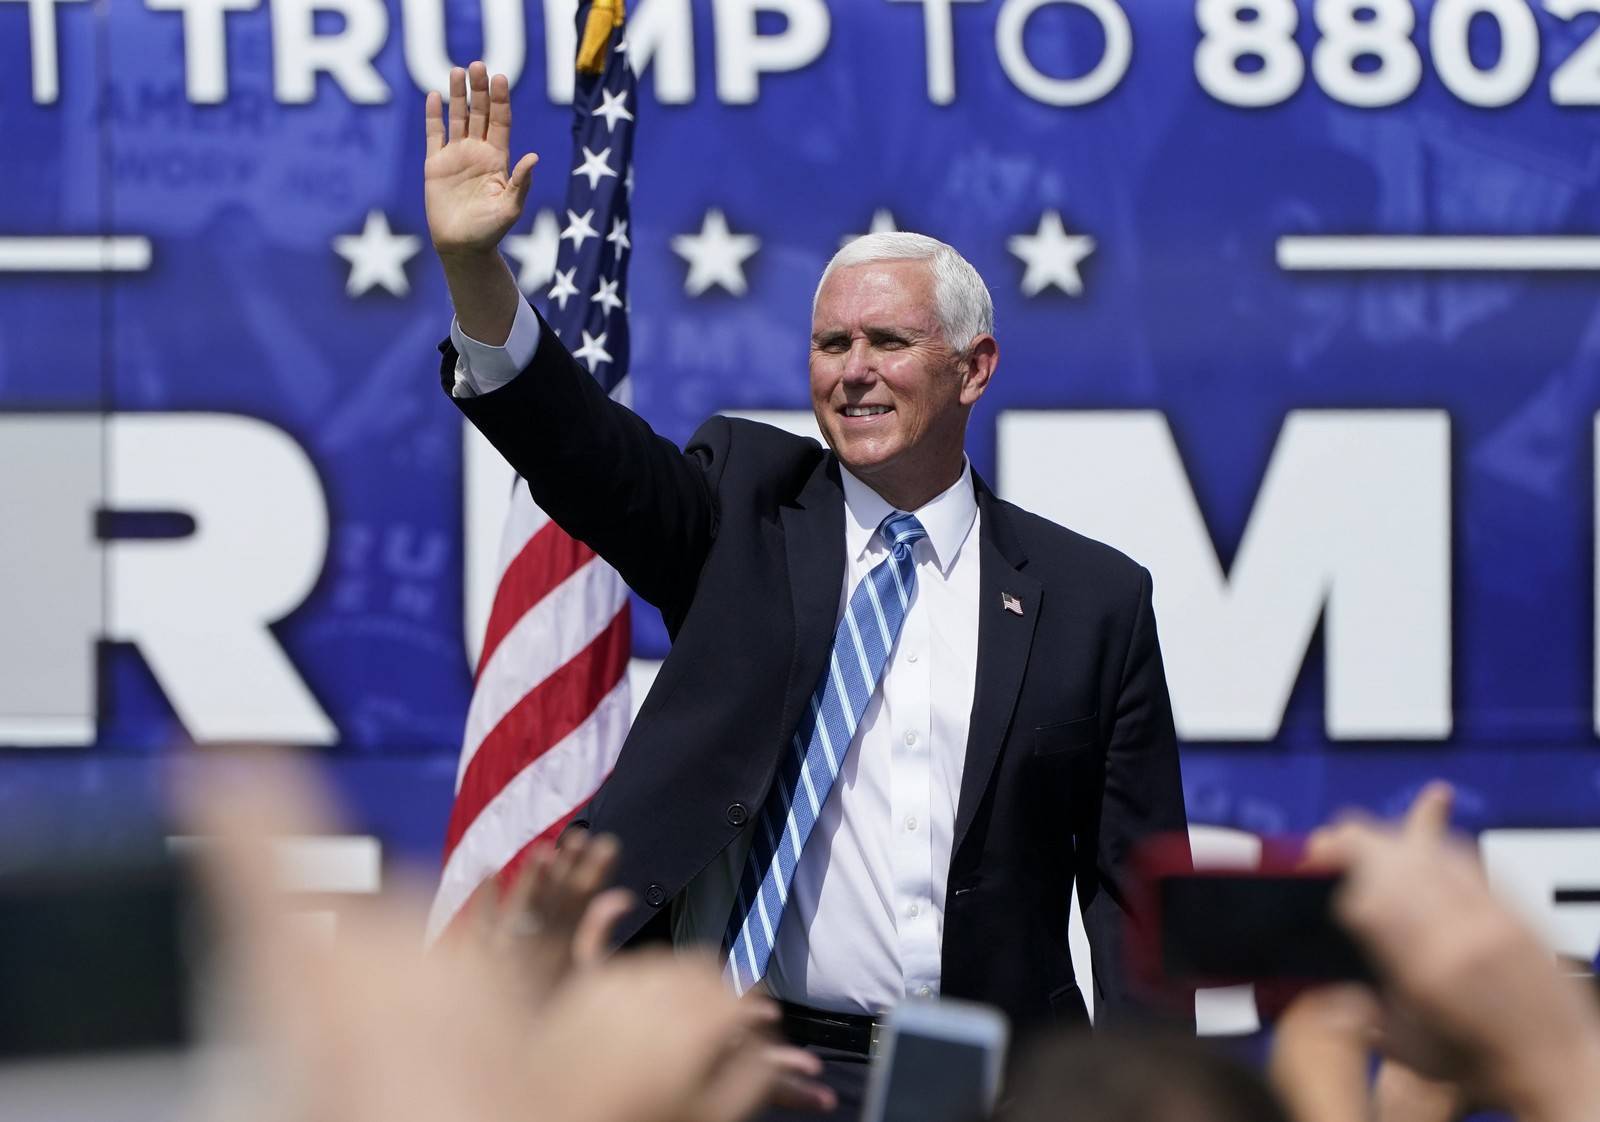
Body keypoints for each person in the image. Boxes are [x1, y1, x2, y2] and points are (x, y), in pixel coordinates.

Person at [424, 61, 1190, 1111]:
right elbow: (577, 446)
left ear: (973, 368)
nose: (852, 369)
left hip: (977, 1083)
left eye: (888, 341)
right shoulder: (741, 509)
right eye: (831, 344)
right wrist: (476, 273)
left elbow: (1138, 891)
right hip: (744, 1067)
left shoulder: (1090, 597)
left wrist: (1158, 1099)